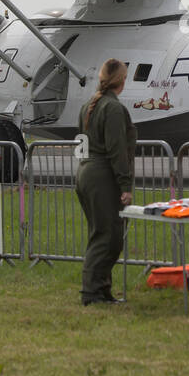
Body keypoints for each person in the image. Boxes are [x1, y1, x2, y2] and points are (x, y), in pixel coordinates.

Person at [75, 59, 135, 305]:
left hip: (86, 171)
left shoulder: (88, 105)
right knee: (108, 236)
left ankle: (101, 289)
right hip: (103, 175)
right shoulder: (112, 109)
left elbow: (81, 143)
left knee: (101, 233)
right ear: (122, 81)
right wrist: (125, 185)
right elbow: (117, 150)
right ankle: (92, 292)